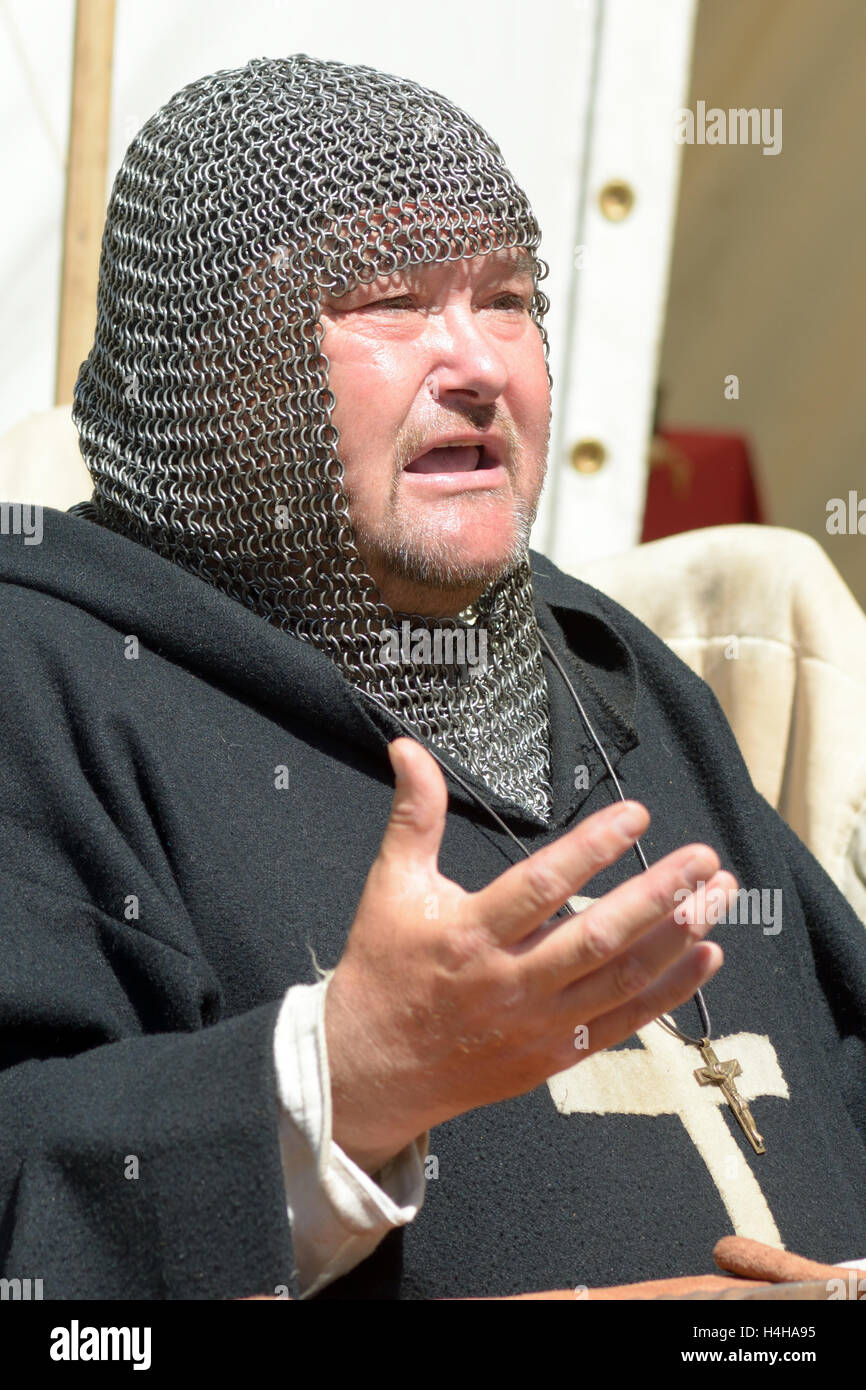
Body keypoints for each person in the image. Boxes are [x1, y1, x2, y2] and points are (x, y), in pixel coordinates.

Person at [1, 54, 865, 1302]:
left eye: (508, 298)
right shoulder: (50, 679)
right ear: (213, 361)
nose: (479, 365)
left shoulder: (608, 671)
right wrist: (343, 1080)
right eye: (393, 300)